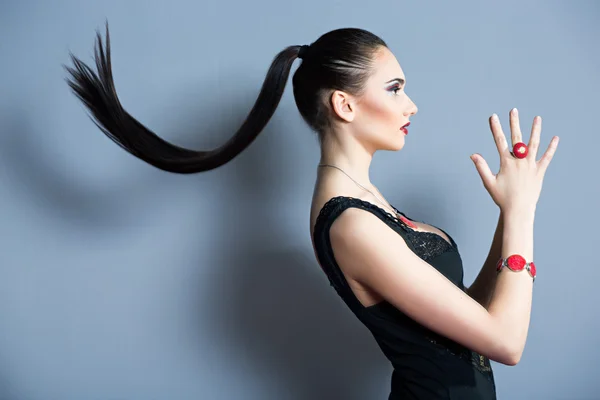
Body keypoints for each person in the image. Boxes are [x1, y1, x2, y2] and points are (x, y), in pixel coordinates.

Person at [64, 22, 559, 399]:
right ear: (344, 105)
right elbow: (505, 341)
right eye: (395, 88)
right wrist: (520, 215)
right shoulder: (350, 224)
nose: (411, 106)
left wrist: (514, 211)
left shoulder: (369, 206)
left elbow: (471, 319)